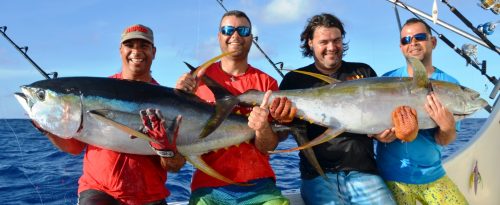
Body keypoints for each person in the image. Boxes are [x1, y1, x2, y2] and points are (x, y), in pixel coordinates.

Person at [33, 24, 185, 205]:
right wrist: (47, 129)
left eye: (143, 46)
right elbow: (74, 148)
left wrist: (166, 150)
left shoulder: (168, 101)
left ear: (153, 52)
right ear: (121, 50)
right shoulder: (98, 90)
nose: (136, 52)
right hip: (99, 192)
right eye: (130, 46)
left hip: (149, 195)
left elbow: (175, 166)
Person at [278, 13, 396, 205]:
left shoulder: (363, 72)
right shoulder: (293, 80)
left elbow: (377, 122)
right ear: (310, 43)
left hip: (364, 173)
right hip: (318, 176)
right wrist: (281, 120)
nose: (332, 47)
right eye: (324, 41)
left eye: (337, 40)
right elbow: (280, 132)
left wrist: (384, 134)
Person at [175, 10, 290, 205]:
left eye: (243, 30)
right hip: (208, 187)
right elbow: (179, 133)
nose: (235, 35)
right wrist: (178, 96)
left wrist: (262, 128)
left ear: (251, 38)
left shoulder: (267, 83)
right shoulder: (197, 81)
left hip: (260, 186)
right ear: (219, 36)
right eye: (228, 30)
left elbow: (268, 146)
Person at [376, 18, 468, 205]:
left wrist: (447, 126)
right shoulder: (387, 79)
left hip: (432, 176)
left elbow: (444, 140)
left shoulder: (450, 84)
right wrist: (379, 136)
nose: (413, 43)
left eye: (419, 37)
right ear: (401, 47)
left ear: (433, 42)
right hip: (390, 177)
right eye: (406, 40)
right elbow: (372, 123)